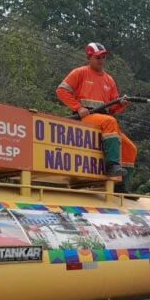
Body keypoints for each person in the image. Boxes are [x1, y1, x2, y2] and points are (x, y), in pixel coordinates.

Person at [56, 42, 136, 191]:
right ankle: (112, 165)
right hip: (86, 118)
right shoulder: (79, 72)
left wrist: (122, 103)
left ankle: (122, 188)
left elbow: (112, 109)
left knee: (130, 148)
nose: (101, 60)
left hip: (104, 119)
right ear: (89, 57)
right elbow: (61, 91)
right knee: (110, 121)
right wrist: (78, 108)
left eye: (104, 57)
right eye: (98, 57)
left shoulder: (109, 80)